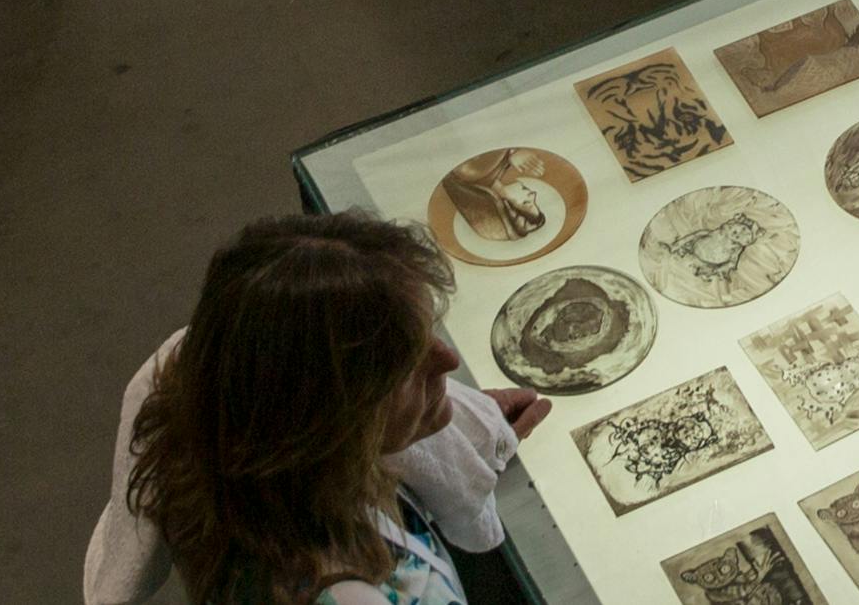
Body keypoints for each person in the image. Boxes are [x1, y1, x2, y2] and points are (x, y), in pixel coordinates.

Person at [82, 212, 540, 605]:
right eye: (407, 361)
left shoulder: (229, 416)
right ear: (333, 422)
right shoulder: (344, 592)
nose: (449, 360)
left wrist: (468, 422)